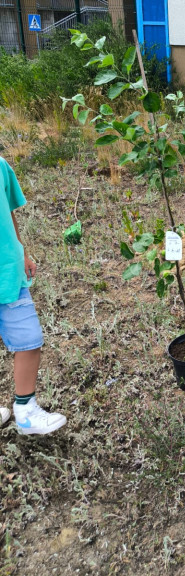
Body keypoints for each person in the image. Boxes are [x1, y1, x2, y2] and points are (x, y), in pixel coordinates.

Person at [0, 156, 67, 435]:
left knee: (30, 338)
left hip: (7, 269)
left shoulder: (1, 166)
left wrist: (22, 251)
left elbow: (9, 211)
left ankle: (25, 411)